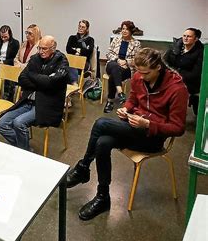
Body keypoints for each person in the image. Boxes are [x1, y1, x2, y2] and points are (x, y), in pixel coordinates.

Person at [66, 48, 189, 221]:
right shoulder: (139, 76)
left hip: (152, 138)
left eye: (146, 73)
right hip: (133, 128)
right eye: (138, 72)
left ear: (158, 68)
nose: (141, 76)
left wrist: (148, 124)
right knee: (102, 143)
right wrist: (126, 109)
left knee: (101, 123)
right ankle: (103, 197)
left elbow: (178, 128)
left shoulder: (177, 89)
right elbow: (133, 99)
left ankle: (83, 167)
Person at [0, 36, 69, 151]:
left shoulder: (61, 62)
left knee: (18, 123)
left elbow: (50, 83)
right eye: (39, 48)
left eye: (44, 49)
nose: (41, 51)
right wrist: (42, 81)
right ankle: (24, 149)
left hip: (47, 105)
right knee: (2, 123)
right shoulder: (35, 58)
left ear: (53, 48)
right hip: (28, 101)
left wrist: (33, 76)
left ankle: (23, 151)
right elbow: (22, 78)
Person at [103, 20, 141, 113]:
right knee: (115, 67)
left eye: (126, 29)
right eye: (123, 29)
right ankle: (120, 92)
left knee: (113, 75)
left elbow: (137, 60)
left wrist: (126, 62)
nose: (124, 31)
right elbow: (108, 53)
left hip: (126, 69)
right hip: (112, 64)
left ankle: (110, 101)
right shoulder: (116, 40)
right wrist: (117, 60)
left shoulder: (136, 43)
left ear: (131, 31)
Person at [164, 28, 204, 115]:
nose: (185, 38)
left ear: (196, 39)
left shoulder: (200, 52)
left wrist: (177, 75)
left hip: (190, 81)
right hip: (172, 77)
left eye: (189, 36)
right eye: (184, 36)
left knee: (174, 89)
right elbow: (165, 61)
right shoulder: (176, 47)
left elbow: (196, 73)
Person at [3, 24, 42, 101]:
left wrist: (20, 66)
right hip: (19, 68)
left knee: (17, 79)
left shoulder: (40, 46)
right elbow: (16, 57)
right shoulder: (24, 43)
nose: (27, 35)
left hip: (31, 72)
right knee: (8, 75)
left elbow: (33, 63)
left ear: (36, 35)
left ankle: (17, 100)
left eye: (30, 33)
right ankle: (8, 99)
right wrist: (18, 64)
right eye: (26, 33)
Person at [66, 19, 95, 85]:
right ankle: (74, 84)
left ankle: (74, 84)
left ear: (87, 29)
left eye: (83, 27)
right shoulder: (72, 38)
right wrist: (81, 51)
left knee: (72, 64)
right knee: (69, 64)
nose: (80, 28)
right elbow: (68, 49)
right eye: (79, 26)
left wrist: (76, 50)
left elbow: (89, 52)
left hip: (85, 63)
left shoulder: (90, 40)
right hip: (72, 61)